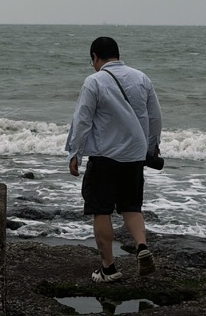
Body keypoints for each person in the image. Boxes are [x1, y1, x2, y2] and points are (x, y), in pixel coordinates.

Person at [66, 36, 162, 282]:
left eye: (93, 61)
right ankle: (141, 246)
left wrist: (75, 152)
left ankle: (108, 268)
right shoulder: (142, 78)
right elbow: (155, 118)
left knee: (101, 210)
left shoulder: (94, 81)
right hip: (134, 156)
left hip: (104, 157)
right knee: (131, 206)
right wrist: (151, 148)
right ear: (117, 54)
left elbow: (83, 119)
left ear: (95, 58)